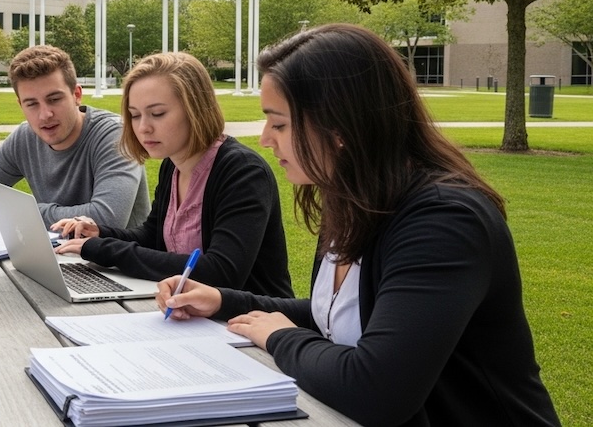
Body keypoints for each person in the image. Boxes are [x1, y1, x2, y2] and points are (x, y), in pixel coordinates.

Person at [158, 24, 559, 426]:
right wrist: (223, 302)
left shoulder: (444, 223)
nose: (265, 139)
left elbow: (376, 390)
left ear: (340, 127)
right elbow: (337, 319)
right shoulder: (353, 198)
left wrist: (280, 337)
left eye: (278, 124)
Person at [52, 52, 293, 296]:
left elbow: (221, 272)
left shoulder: (243, 171)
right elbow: (152, 236)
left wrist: (105, 249)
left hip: (254, 324)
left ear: (195, 109)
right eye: (135, 115)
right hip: (190, 315)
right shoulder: (173, 164)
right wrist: (101, 233)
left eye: (157, 114)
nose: (143, 127)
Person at [0, 45, 150, 229]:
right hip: (59, 254)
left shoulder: (115, 135)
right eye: (32, 104)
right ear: (21, 105)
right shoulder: (25, 138)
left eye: (54, 99)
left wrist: (26, 212)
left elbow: (107, 218)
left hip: (115, 261)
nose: (45, 114)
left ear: (77, 94)